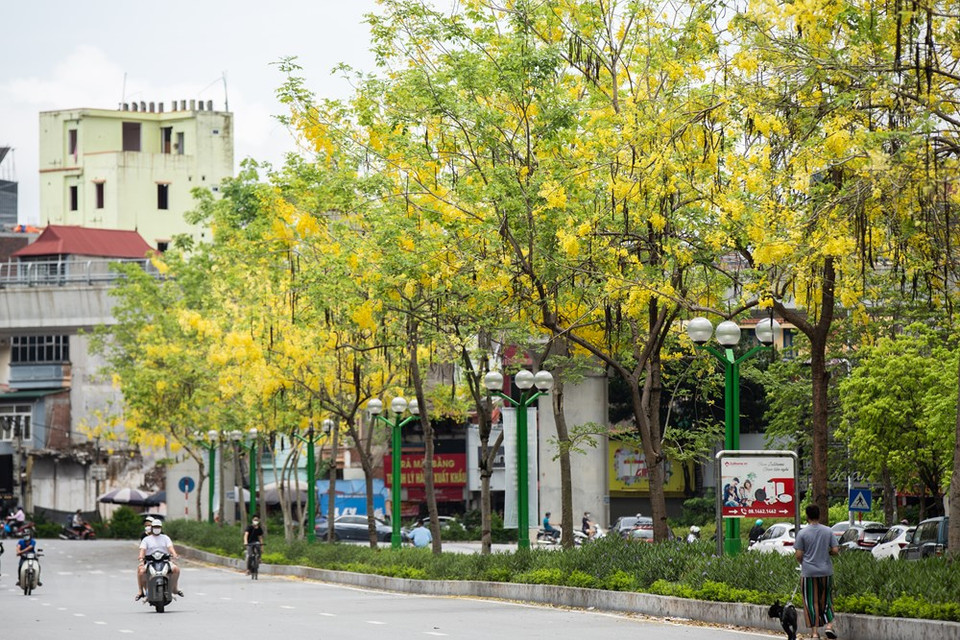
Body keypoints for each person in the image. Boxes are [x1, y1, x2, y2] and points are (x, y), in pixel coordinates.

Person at [794, 504, 839, 640]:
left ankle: (814, 633)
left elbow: (798, 555)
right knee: (827, 599)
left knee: (811, 602)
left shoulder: (802, 533)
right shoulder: (828, 531)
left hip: (808, 573)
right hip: (826, 571)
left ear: (807, 516)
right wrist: (827, 552)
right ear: (819, 515)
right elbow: (836, 550)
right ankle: (829, 626)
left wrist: (804, 563)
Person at [136, 519, 182, 600]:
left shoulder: (165, 538)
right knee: (141, 571)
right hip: (150, 561)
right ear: (152, 528)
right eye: (155, 527)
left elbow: (170, 547)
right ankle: (143, 591)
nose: (156, 528)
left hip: (165, 561)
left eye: (158, 527)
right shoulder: (146, 539)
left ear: (161, 528)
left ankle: (173, 588)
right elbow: (142, 550)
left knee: (176, 569)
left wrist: (174, 554)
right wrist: (141, 557)